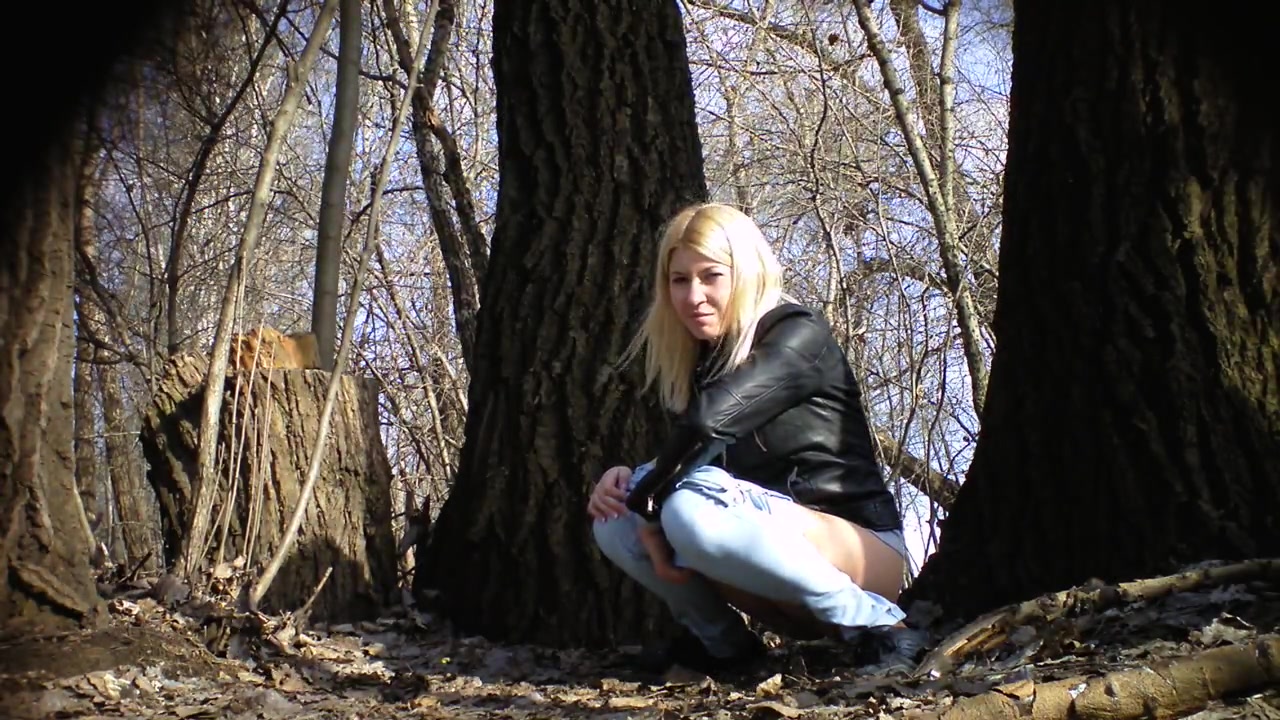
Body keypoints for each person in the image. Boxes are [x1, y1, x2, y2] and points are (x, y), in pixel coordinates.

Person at [588, 202, 926, 675]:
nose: (693, 296)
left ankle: (883, 629)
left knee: (681, 505)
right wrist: (632, 484)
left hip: (860, 555)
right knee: (613, 514)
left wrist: (649, 497)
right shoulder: (704, 362)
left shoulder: (796, 333)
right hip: (776, 575)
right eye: (679, 279)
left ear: (745, 273)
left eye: (711, 276)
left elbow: (709, 426)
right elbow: (698, 460)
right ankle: (726, 649)